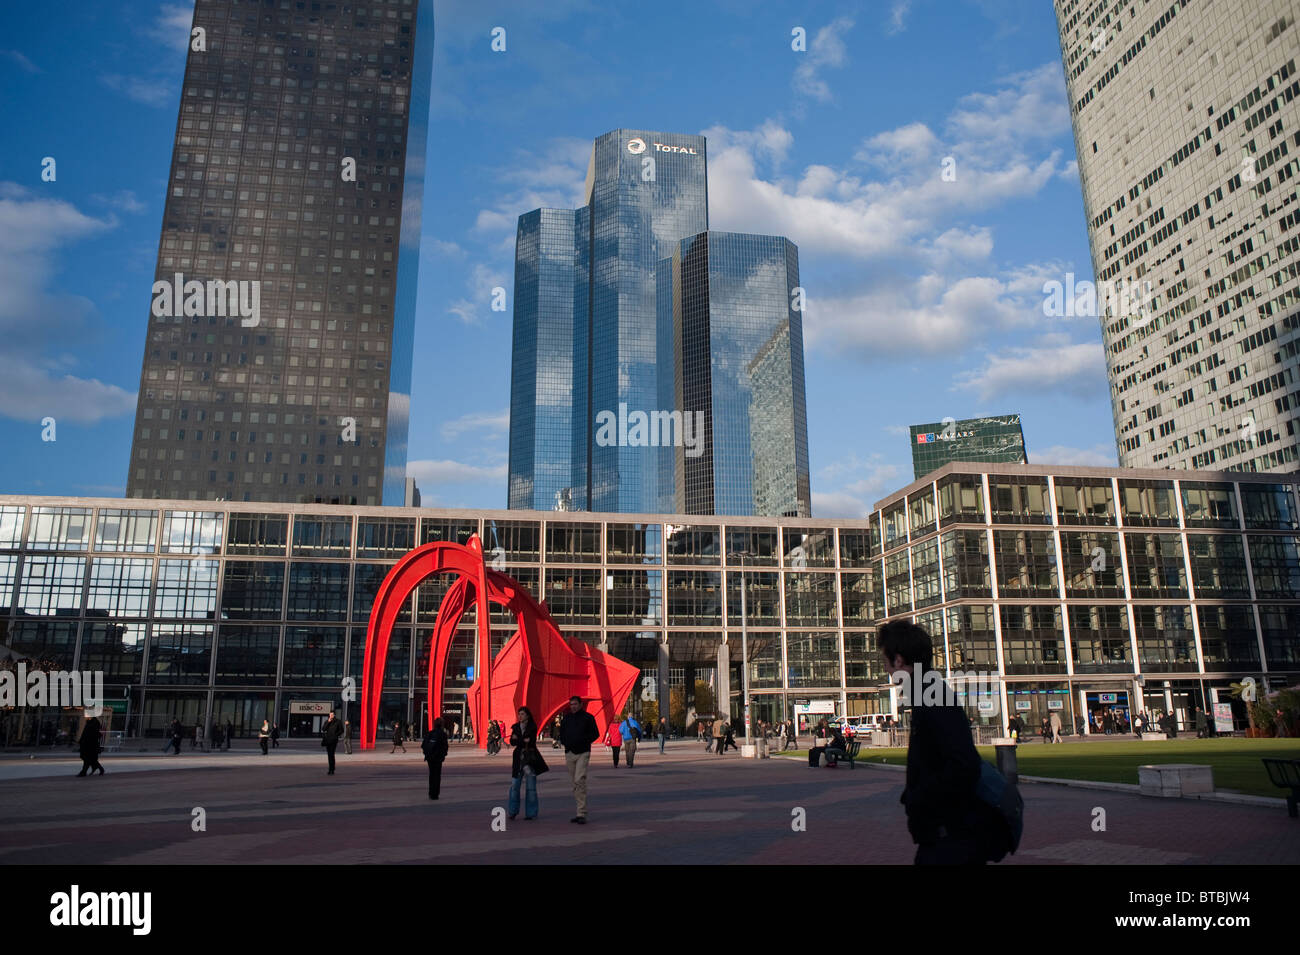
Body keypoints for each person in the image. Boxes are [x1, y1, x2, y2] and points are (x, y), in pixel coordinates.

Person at [881, 620, 999, 865]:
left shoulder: (932, 698)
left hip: (950, 842)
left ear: (899, 661)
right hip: (944, 838)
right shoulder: (926, 695)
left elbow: (963, 764)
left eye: (886, 662)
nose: (887, 670)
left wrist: (919, 796)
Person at [558, 696, 599, 824]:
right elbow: (562, 734)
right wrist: (566, 743)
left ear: (581, 704)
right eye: (571, 704)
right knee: (575, 783)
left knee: (579, 779)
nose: (573, 706)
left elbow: (595, 734)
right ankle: (579, 812)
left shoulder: (588, 718)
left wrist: (584, 741)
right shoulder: (567, 719)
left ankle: (582, 813)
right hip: (569, 753)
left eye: (575, 704)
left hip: (583, 752)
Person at [508, 707, 541, 820]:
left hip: (529, 759)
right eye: (519, 714)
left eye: (522, 714)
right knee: (514, 786)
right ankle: (512, 811)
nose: (520, 716)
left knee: (531, 788)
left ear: (527, 715)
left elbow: (530, 741)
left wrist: (519, 739)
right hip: (518, 760)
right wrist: (521, 740)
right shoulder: (516, 727)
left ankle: (531, 813)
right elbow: (512, 742)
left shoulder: (532, 727)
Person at [423, 717, 450, 800]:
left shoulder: (430, 733)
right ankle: (435, 794)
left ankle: (431, 793)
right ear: (442, 725)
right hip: (438, 757)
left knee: (431, 775)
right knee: (437, 775)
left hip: (430, 757)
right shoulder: (443, 734)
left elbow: (423, 745)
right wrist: (443, 755)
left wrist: (427, 754)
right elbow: (445, 747)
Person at [321, 709, 344, 775]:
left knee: (331, 754)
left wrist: (336, 735)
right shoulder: (327, 721)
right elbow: (323, 729)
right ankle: (331, 768)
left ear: (334, 715)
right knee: (329, 755)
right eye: (330, 714)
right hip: (328, 740)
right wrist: (328, 722)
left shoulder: (338, 721)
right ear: (329, 715)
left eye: (332, 714)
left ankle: (332, 769)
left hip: (334, 740)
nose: (331, 716)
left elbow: (341, 730)